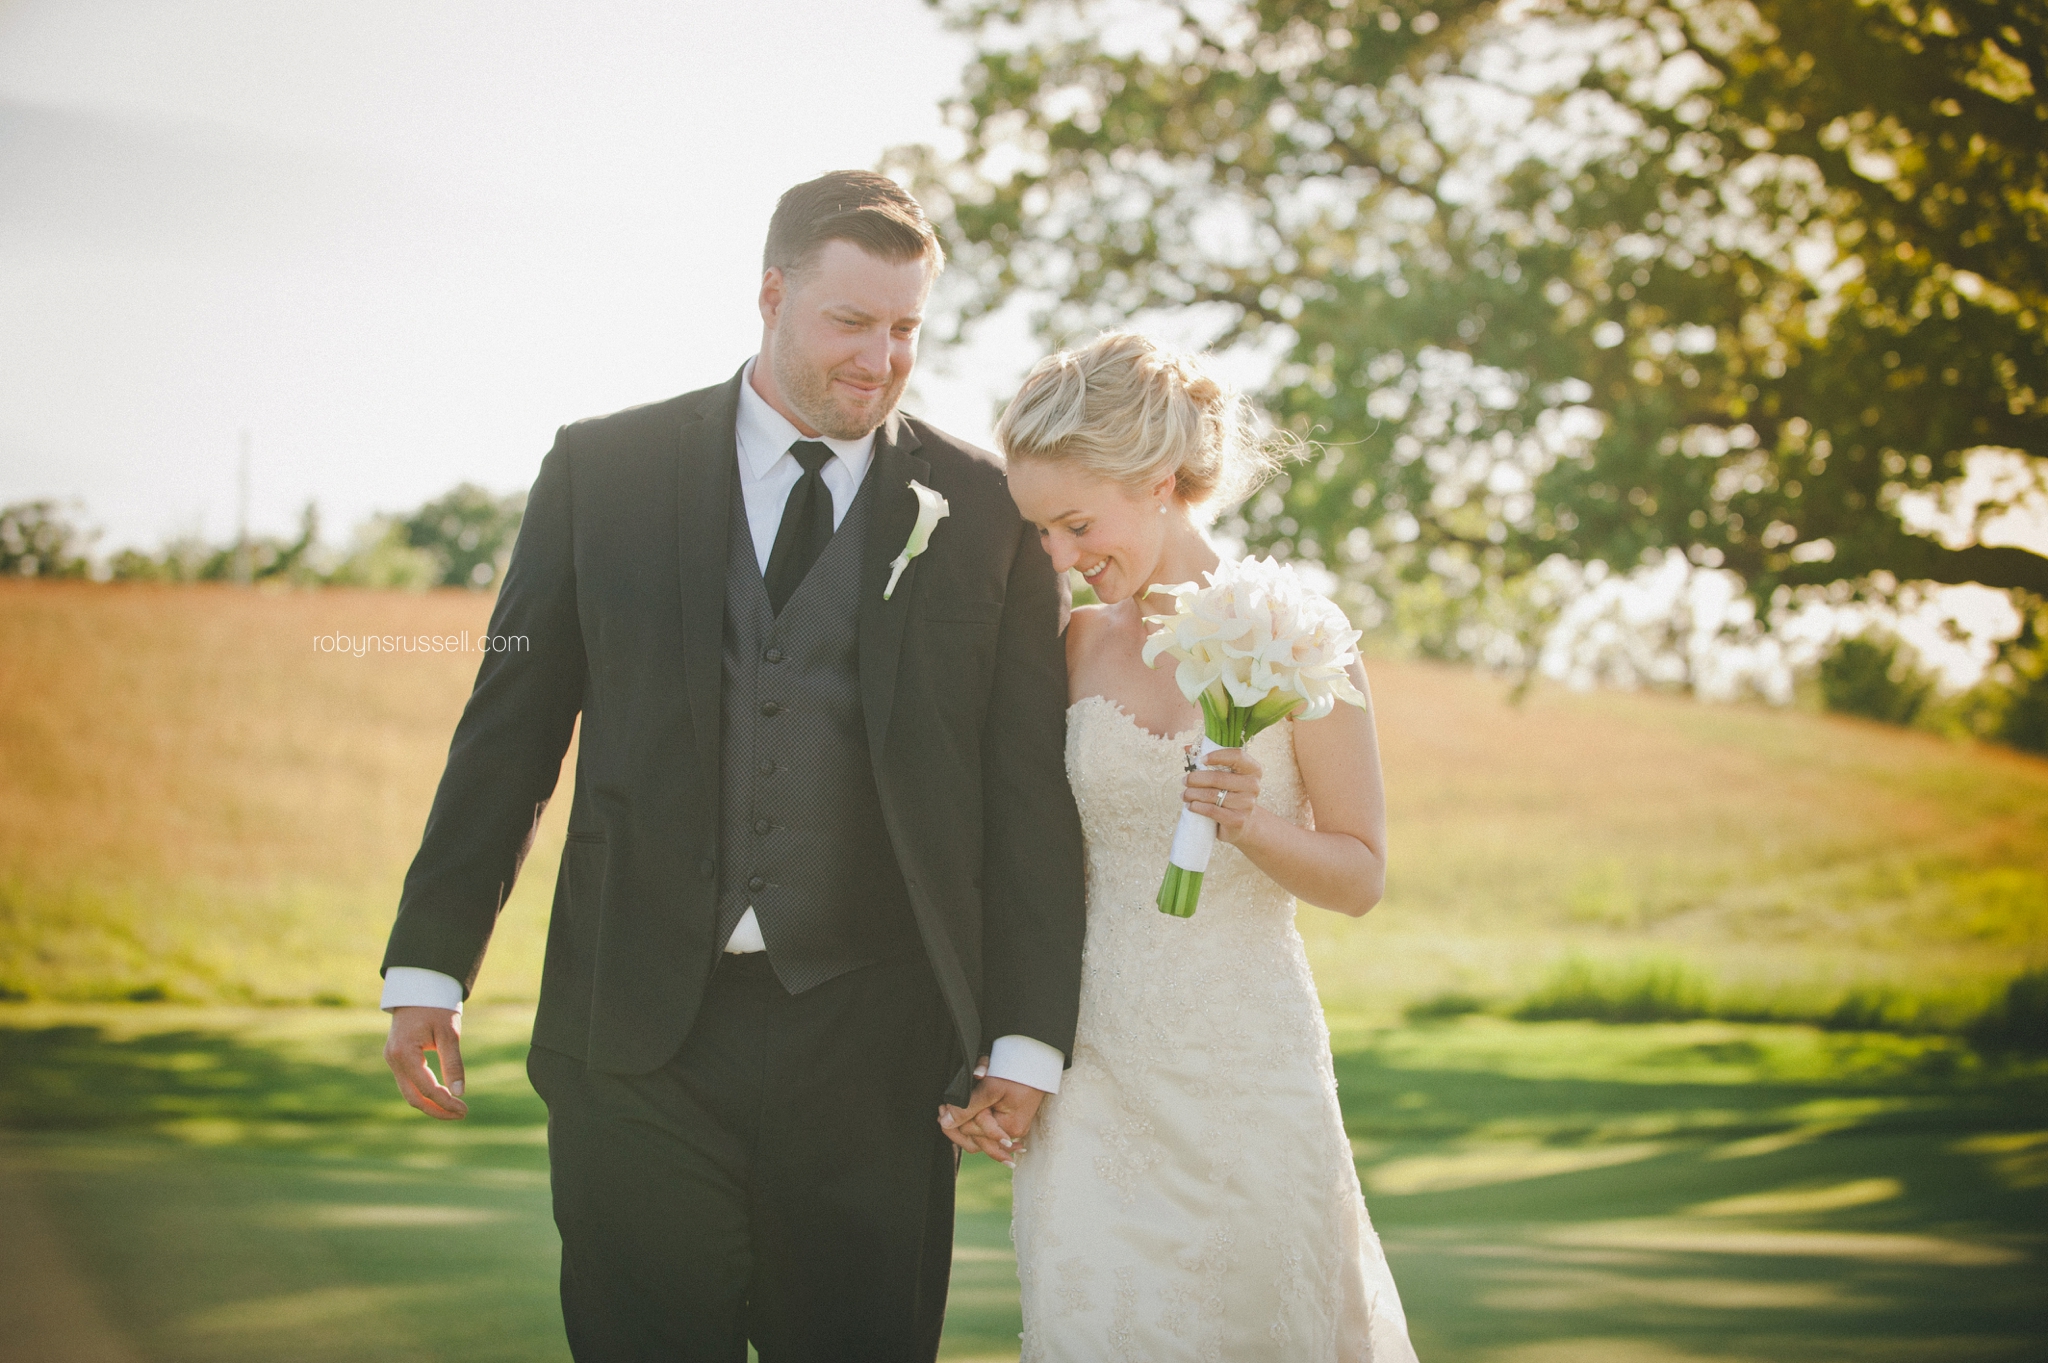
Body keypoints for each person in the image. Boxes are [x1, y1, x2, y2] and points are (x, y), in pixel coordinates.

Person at [376, 170, 1086, 1362]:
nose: (880, 359)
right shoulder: (603, 471)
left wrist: (1023, 1038)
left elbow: (1022, 790)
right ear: (770, 296)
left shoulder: (981, 506)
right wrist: (429, 960)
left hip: (876, 1043)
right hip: (637, 1039)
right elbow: (510, 727)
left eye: (906, 329)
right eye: (850, 323)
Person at [996, 332, 1418, 1361]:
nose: (1058, 556)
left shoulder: (1298, 636)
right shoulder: (1073, 644)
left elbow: (1359, 873)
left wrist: (1253, 825)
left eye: (1074, 523)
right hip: (1094, 1074)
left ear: (1154, 483)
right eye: (1041, 531)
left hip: (1243, 1066)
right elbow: (1025, 865)